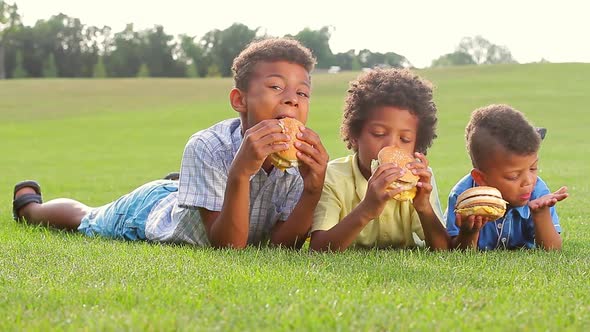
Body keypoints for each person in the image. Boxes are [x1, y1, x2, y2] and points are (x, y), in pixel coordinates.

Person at [12, 38, 329, 249]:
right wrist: (241, 172)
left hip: (195, 197)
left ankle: (184, 188)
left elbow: (280, 246)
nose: (291, 99)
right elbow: (228, 247)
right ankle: (31, 208)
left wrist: (312, 190)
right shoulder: (208, 146)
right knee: (88, 218)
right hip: (149, 214)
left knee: (188, 192)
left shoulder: (298, 163)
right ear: (240, 100)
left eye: (302, 93)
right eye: (276, 86)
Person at [309, 68, 450, 251]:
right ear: (354, 135)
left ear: (417, 146)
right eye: (378, 134)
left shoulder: (420, 179)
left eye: (405, 139)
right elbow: (318, 249)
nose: (391, 145)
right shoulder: (333, 177)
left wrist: (424, 207)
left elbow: (444, 251)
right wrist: (367, 209)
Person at [445, 104, 568, 250]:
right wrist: (469, 232)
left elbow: (552, 250)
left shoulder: (538, 192)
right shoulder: (463, 197)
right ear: (481, 178)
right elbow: (458, 253)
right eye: (513, 176)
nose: (528, 181)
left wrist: (541, 214)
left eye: (533, 168)